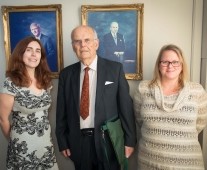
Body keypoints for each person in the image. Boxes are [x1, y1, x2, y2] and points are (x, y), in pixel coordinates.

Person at [55, 25, 136, 170]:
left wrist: (129, 140)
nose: (83, 45)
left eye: (87, 40)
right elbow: (62, 111)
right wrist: (62, 141)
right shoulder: (66, 75)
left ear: (96, 43)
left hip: (108, 141)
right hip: (78, 143)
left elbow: (126, 108)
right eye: (77, 41)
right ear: (73, 46)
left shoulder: (115, 69)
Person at [133, 44, 207, 170]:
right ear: (158, 64)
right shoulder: (143, 89)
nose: (170, 66)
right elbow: (140, 120)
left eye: (175, 62)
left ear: (182, 65)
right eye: (165, 62)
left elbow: (199, 124)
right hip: (149, 162)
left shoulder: (197, 91)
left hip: (187, 164)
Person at [0, 36, 59, 169]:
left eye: (38, 51)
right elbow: (3, 119)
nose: (34, 54)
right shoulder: (11, 83)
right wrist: (15, 140)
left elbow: (43, 114)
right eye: (29, 50)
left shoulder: (45, 81)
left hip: (45, 144)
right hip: (22, 146)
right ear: (20, 54)